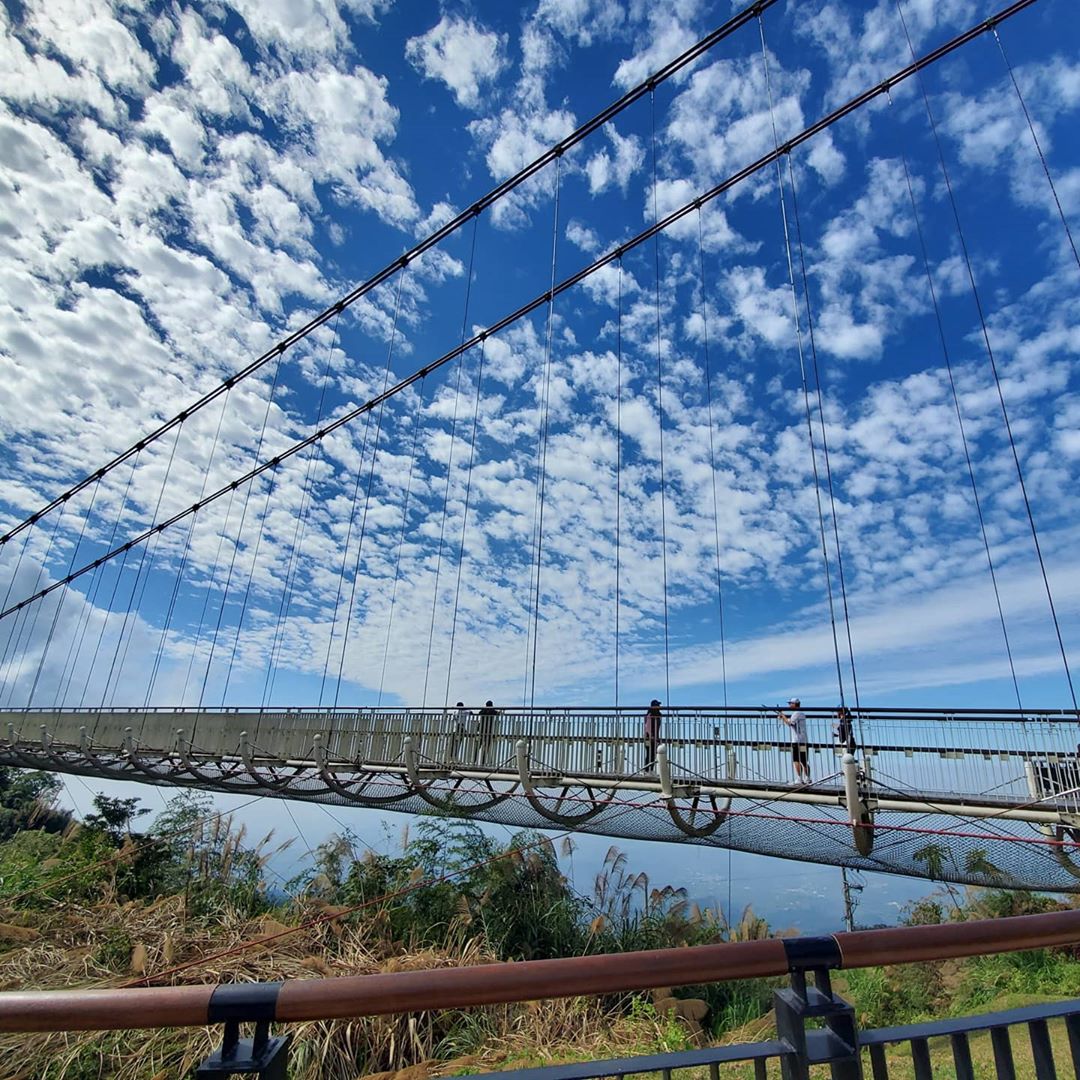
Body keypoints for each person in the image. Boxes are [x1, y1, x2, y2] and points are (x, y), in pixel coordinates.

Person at [778, 697, 810, 783]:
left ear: (794, 704)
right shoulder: (802, 714)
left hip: (797, 741)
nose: (789, 705)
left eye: (790, 703)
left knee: (796, 760)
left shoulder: (795, 714)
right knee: (804, 760)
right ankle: (807, 778)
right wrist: (784, 718)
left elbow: (790, 723)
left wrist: (782, 715)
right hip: (804, 740)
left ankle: (799, 778)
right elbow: (792, 722)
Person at [644, 699, 662, 771]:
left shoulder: (657, 715)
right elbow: (647, 726)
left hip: (654, 737)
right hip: (649, 737)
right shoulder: (650, 714)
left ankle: (650, 770)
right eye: (657, 705)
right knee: (649, 754)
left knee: (653, 754)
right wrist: (651, 735)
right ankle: (647, 770)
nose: (659, 707)